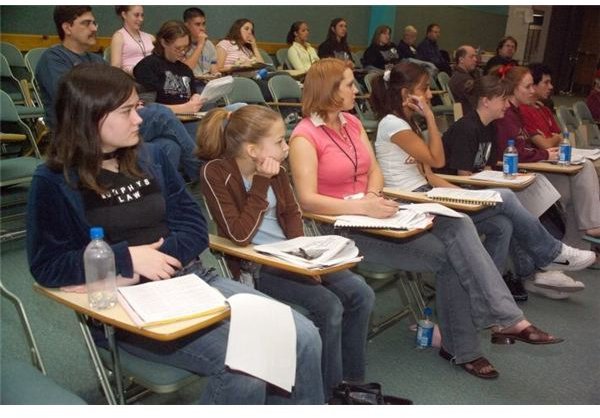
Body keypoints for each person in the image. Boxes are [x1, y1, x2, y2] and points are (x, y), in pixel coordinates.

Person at [26, 63, 324, 405]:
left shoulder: (150, 156)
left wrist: (156, 259)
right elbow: (47, 265)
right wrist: (127, 260)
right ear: (90, 116)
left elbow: (195, 228)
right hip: (125, 307)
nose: (139, 119)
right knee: (247, 369)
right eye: (127, 111)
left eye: (137, 108)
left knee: (303, 336)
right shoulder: (53, 181)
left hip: (191, 279)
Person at [289, 58, 565, 380]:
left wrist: (374, 197)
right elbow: (307, 199)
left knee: (458, 226)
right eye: (349, 84)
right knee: (453, 250)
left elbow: (374, 171)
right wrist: (363, 208)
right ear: (329, 90)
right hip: (341, 225)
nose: (356, 90)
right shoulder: (304, 135)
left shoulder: (351, 123)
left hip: (377, 213)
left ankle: (484, 331)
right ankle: (492, 326)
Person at [197, 104, 374, 399]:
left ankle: (350, 381)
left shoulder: (275, 168)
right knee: (329, 306)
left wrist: (306, 259)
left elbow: (292, 214)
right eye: (279, 141)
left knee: (360, 293)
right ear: (253, 150)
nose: (286, 146)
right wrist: (261, 182)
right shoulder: (216, 172)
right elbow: (239, 235)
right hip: (258, 264)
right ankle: (329, 392)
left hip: (294, 257)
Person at [437, 74, 591, 298]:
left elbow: (486, 168)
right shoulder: (466, 128)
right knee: (510, 199)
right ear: (486, 101)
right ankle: (551, 253)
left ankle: (493, 286)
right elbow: (464, 176)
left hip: (472, 188)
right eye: (502, 99)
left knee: (505, 223)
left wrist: (506, 178)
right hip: (454, 194)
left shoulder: (490, 127)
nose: (507, 105)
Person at [36, 6, 200, 181]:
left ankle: (156, 203)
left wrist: (131, 102)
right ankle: (202, 172)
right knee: (161, 114)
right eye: (86, 23)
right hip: (81, 132)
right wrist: (120, 102)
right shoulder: (53, 59)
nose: (94, 28)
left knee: (168, 146)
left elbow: (116, 92)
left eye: (94, 23)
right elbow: (74, 102)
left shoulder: (97, 61)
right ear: (67, 28)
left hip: (111, 125)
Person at [493, 65, 600, 246]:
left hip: (528, 169)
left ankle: (575, 246)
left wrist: (543, 153)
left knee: (581, 179)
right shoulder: (507, 115)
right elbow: (515, 152)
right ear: (512, 87)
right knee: (578, 185)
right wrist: (544, 153)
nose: (532, 90)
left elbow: (525, 148)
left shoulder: (518, 111)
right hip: (515, 176)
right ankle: (584, 233)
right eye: (528, 87)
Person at [133, 20, 204, 115]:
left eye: (186, 47)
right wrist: (182, 109)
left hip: (188, 117)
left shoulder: (186, 70)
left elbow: (192, 94)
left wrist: (196, 97)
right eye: (178, 48)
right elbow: (145, 106)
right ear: (163, 43)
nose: (183, 52)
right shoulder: (148, 65)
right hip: (161, 120)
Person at [110, 5, 154, 74]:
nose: (141, 19)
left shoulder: (150, 37)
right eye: (136, 15)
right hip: (131, 79)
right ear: (124, 15)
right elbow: (115, 69)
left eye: (142, 15)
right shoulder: (119, 37)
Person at [182, 7, 219, 77]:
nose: (202, 28)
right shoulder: (182, 45)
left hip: (207, 83)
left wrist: (216, 75)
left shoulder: (209, 44)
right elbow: (185, 70)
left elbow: (213, 67)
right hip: (191, 83)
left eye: (203, 24)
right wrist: (200, 45)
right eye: (197, 24)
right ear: (186, 26)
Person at [448, 45, 480, 114]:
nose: (475, 59)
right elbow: (476, 104)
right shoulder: (463, 79)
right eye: (471, 57)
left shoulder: (459, 75)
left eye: (475, 56)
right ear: (461, 60)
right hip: (468, 116)